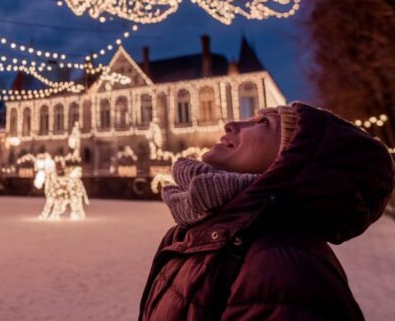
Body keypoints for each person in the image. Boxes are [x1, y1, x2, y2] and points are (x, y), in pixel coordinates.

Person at [139, 102, 394, 320]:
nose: (231, 124)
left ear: (288, 160)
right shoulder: (208, 232)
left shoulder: (286, 270)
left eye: (263, 123)